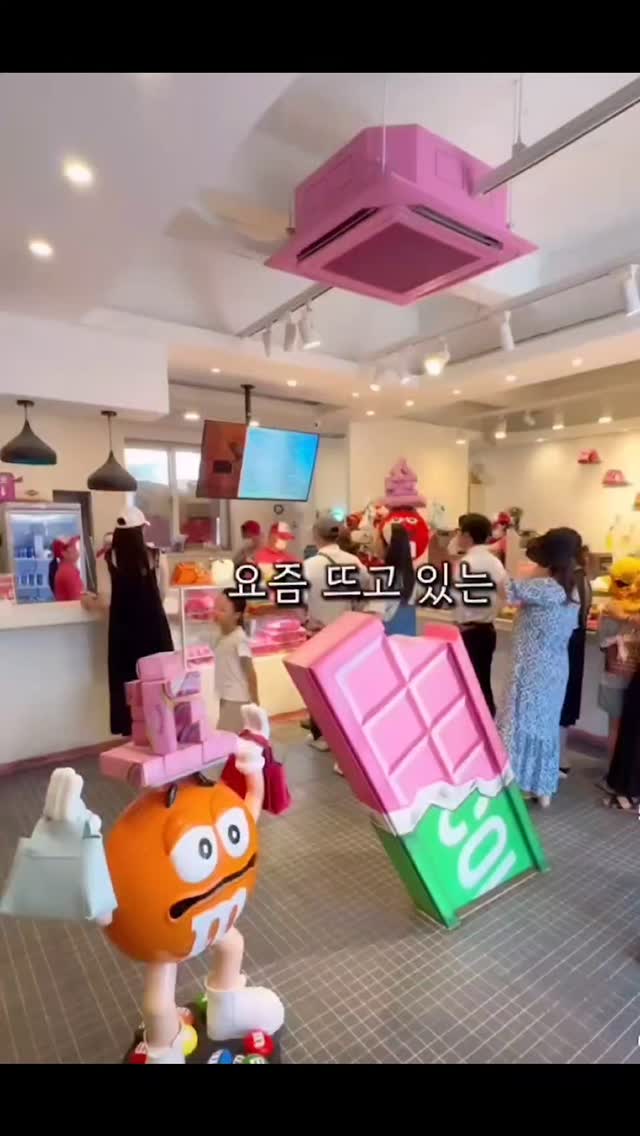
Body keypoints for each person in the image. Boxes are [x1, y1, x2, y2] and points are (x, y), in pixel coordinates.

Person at [497, 530, 579, 807]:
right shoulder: (571, 589)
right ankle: (542, 788)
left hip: (530, 668)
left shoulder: (545, 587)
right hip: (555, 668)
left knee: (519, 722)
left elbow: (506, 588)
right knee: (544, 727)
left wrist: (495, 557)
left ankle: (517, 783)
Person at [82, 506, 172, 736]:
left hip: (123, 632)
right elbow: (162, 593)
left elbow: (105, 601)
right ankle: (161, 733)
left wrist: (88, 601)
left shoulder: (107, 558)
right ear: (141, 530)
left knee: (128, 683)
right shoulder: (158, 556)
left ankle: (134, 734)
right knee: (157, 682)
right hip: (154, 629)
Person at [303, 513, 372, 767]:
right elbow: (368, 595)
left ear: (316, 535)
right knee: (344, 688)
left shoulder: (309, 566)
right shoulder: (354, 562)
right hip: (346, 635)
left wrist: (306, 620)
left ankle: (322, 736)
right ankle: (348, 741)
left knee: (318, 688)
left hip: (318, 635)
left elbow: (297, 600)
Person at [448, 513, 506, 716]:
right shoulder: (495, 562)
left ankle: (476, 727)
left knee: (467, 685)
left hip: (468, 631)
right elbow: (505, 593)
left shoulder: (466, 563)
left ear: (467, 535)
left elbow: (455, 599)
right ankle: (487, 723)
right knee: (482, 682)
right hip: (487, 630)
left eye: (460, 532)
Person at [557, 531, 592, 776]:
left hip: (565, 645)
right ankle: (560, 757)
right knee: (566, 700)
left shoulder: (570, 580)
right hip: (573, 643)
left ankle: (558, 759)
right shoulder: (581, 577)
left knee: (561, 700)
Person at [211, 591, 259, 733]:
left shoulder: (239, 639)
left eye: (222, 610)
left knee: (225, 738)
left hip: (237, 699)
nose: (216, 612)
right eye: (215, 607)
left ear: (237, 615)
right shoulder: (221, 636)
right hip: (226, 697)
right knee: (231, 739)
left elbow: (250, 672)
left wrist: (255, 702)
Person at [374, 523, 418, 636]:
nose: (375, 542)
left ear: (388, 546)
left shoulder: (381, 577)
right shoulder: (412, 576)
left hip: (386, 639)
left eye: (378, 538)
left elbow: (375, 617)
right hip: (408, 638)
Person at [50, 536, 83, 601]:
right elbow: (78, 600)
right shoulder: (68, 572)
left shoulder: (65, 569)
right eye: (73, 546)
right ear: (64, 553)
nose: (76, 549)